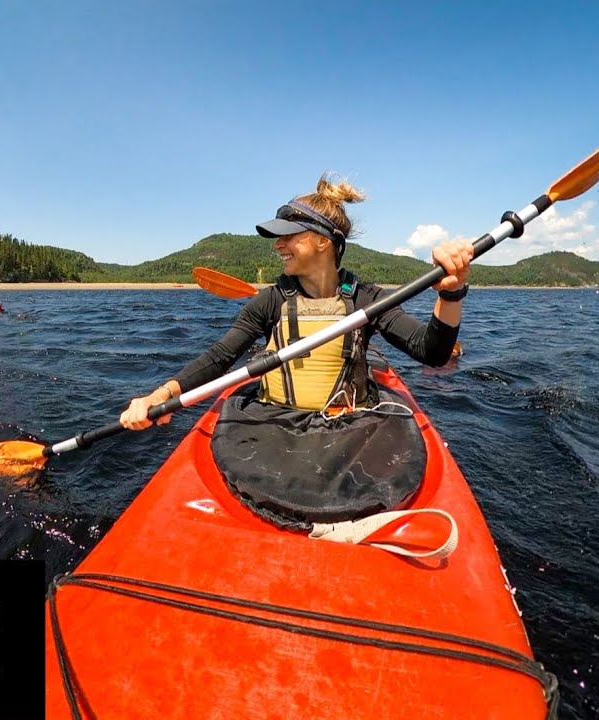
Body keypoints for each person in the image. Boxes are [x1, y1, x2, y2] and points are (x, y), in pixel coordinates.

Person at [118, 173, 474, 531]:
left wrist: (451, 292)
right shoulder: (270, 300)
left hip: (350, 428)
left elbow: (432, 352)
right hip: (273, 425)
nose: (278, 245)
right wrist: (160, 394)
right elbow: (220, 357)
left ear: (322, 242)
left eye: (288, 236)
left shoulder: (366, 299)